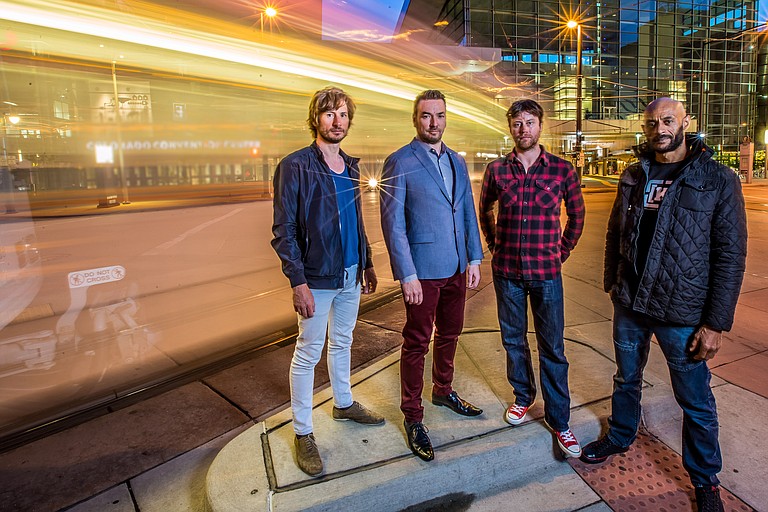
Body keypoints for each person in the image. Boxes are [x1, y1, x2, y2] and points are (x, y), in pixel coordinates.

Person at [580, 97, 747, 512]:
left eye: (668, 120)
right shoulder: (635, 174)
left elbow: (730, 254)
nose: (660, 129)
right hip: (631, 303)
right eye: (652, 123)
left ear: (686, 121)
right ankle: (621, 435)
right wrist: (612, 281)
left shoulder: (717, 178)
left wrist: (716, 323)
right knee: (626, 379)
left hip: (683, 311)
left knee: (694, 398)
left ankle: (706, 480)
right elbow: (616, 231)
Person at [271, 86, 384, 477]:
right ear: (316, 119)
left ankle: (343, 403)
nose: (338, 121)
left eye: (343, 114)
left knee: (344, 341)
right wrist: (297, 281)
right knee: (308, 351)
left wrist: (367, 262)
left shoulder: (351, 166)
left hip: (351, 274)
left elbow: (354, 220)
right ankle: (303, 432)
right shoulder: (296, 165)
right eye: (329, 114)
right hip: (316, 278)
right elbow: (283, 229)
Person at [380, 89, 484, 462]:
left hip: (457, 266)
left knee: (451, 334)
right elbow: (393, 226)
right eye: (426, 116)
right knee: (416, 343)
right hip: (422, 272)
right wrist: (406, 273)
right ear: (415, 119)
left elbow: (467, 212)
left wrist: (474, 258)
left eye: (439, 115)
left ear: (445, 117)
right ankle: (413, 416)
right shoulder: (399, 161)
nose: (434, 122)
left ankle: (443, 390)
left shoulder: (456, 159)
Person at [478, 99, 585, 458]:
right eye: (517, 124)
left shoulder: (561, 170)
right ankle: (523, 397)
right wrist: (494, 245)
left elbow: (577, 216)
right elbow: (485, 211)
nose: (523, 129)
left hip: (546, 274)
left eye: (529, 123)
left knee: (553, 347)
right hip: (507, 272)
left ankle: (560, 420)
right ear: (510, 128)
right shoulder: (497, 171)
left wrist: (561, 252)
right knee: (513, 342)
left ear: (540, 125)